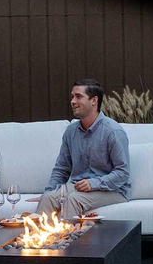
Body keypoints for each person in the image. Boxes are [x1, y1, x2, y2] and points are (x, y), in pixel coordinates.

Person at [30, 79, 131, 218]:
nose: (72, 101)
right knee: (48, 198)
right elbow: (62, 168)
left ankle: (69, 233)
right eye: (72, 96)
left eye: (78, 96)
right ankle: (40, 233)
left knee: (73, 200)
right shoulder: (71, 132)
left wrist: (93, 183)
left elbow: (123, 173)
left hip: (113, 190)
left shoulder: (113, 132)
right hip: (78, 188)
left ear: (94, 100)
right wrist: (49, 191)